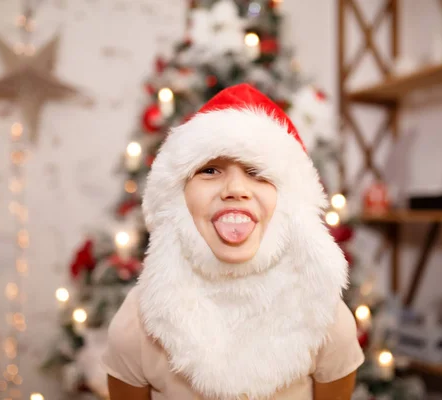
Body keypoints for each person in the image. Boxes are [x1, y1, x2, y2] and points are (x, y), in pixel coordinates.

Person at [101, 83, 364, 400]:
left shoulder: (324, 317)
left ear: (289, 200)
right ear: (177, 197)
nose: (236, 189)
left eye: (257, 171)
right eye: (210, 169)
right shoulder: (137, 325)